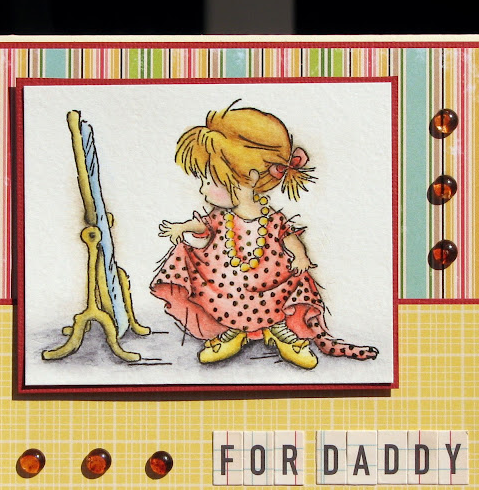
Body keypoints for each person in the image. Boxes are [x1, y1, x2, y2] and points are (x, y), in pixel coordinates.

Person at [150, 102, 378, 369]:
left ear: (250, 177)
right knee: (207, 280)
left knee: (286, 292)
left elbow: (288, 237)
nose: (203, 190)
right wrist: (183, 228)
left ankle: (282, 333)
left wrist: (300, 256)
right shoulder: (221, 216)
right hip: (228, 282)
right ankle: (234, 332)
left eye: (212, 181)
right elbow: (204, 227)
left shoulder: (272, 219)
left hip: (271, 282)